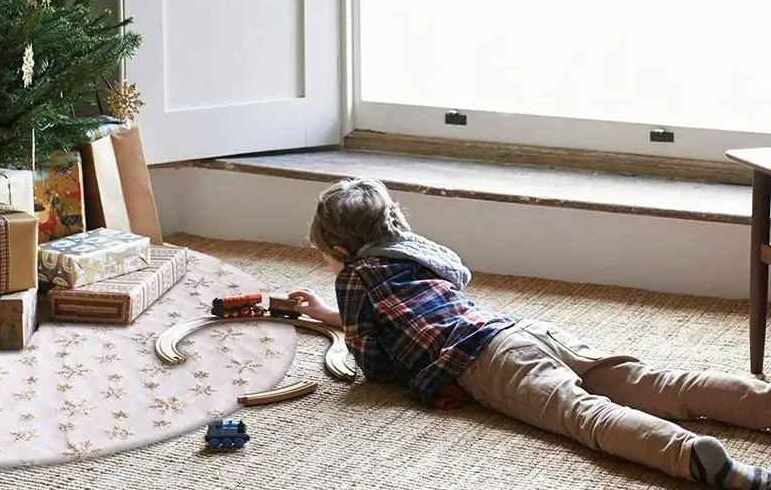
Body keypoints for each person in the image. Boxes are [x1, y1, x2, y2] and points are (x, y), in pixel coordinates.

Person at [288, 177, 771, 488]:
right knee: (655, 383)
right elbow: (415, 307)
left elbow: (371, 359)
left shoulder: (355, 275)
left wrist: (368, 349)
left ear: (337, 246)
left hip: (491, 360)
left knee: (584, 415)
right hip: (525, 329)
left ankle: (690, 456)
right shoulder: (413, 251)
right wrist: (330, 315)